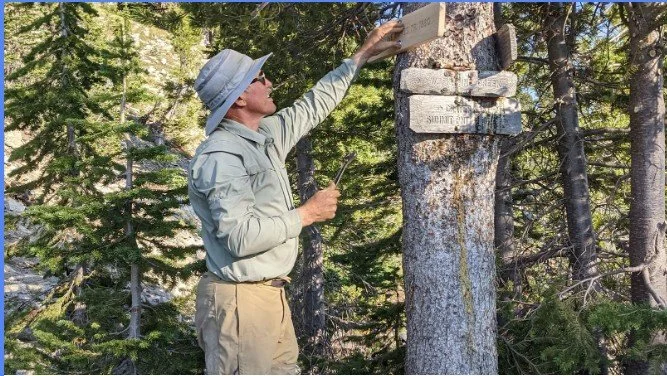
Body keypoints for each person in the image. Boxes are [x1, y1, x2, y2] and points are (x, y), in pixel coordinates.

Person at [188, 20, 404, 375]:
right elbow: (240, 239)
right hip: (242, 303)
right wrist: (307, 214)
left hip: (269, 297)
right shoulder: (221, 156)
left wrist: (361, 56)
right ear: (240, 97)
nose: (269, 82)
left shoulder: (265, 134)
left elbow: (314, 104)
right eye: (259, 78)